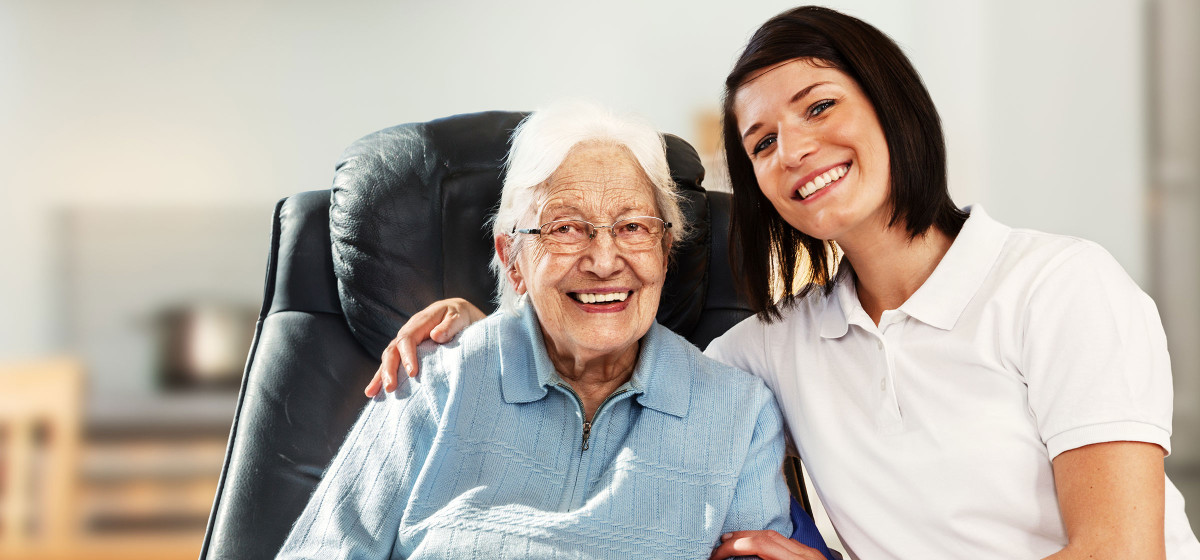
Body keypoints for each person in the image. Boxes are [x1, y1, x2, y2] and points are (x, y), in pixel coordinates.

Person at [365, 6, 1200, 560]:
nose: (793, 149)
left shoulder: (1059, 286)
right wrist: (504, 325)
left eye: (819, 106)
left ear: (892, 105)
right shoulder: (772, 350)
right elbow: (609, 365)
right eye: (761, 143)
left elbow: (1118, 555)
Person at [278, 103, 832, 559]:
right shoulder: (431, 378)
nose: (605, 259)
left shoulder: (739, 412)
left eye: (634, 227)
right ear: (513, 260)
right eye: (566, 228)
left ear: (666, 251)